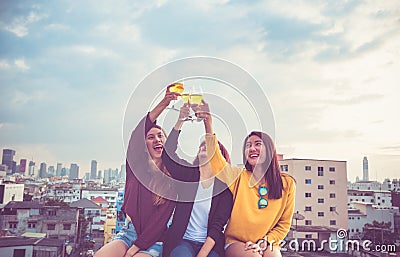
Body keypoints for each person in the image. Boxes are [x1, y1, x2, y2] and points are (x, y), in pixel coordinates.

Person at [193, 100, 296, 257]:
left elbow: (283, 224)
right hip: (236, 242)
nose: (252, 148)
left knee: (273, 255)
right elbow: (216, 161)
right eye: (248, 145)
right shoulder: (239, 177)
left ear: (269, 150)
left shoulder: (287, 184)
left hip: (266, 242)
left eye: (257, 144)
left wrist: (264, 242)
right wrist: (208, 122)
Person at [94, 86, 179, 257]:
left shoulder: (171, 179)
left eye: (160, 136)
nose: (157, 139)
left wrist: (136, 248)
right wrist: (165, 102)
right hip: (128, 233)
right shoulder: (135, 167)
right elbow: (138, 132)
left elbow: (159, 222)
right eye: (151, 137)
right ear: (144, 143)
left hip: (154, 239)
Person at [161, 103, 233, 257]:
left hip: (210, 245)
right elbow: (167, 156)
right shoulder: (188, 176)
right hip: (183, 241)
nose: (204, 147)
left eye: (209, 146)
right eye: (201, 145)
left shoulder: (224, 187)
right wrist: (180, 120)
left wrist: (202, 254)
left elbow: (217, 225)